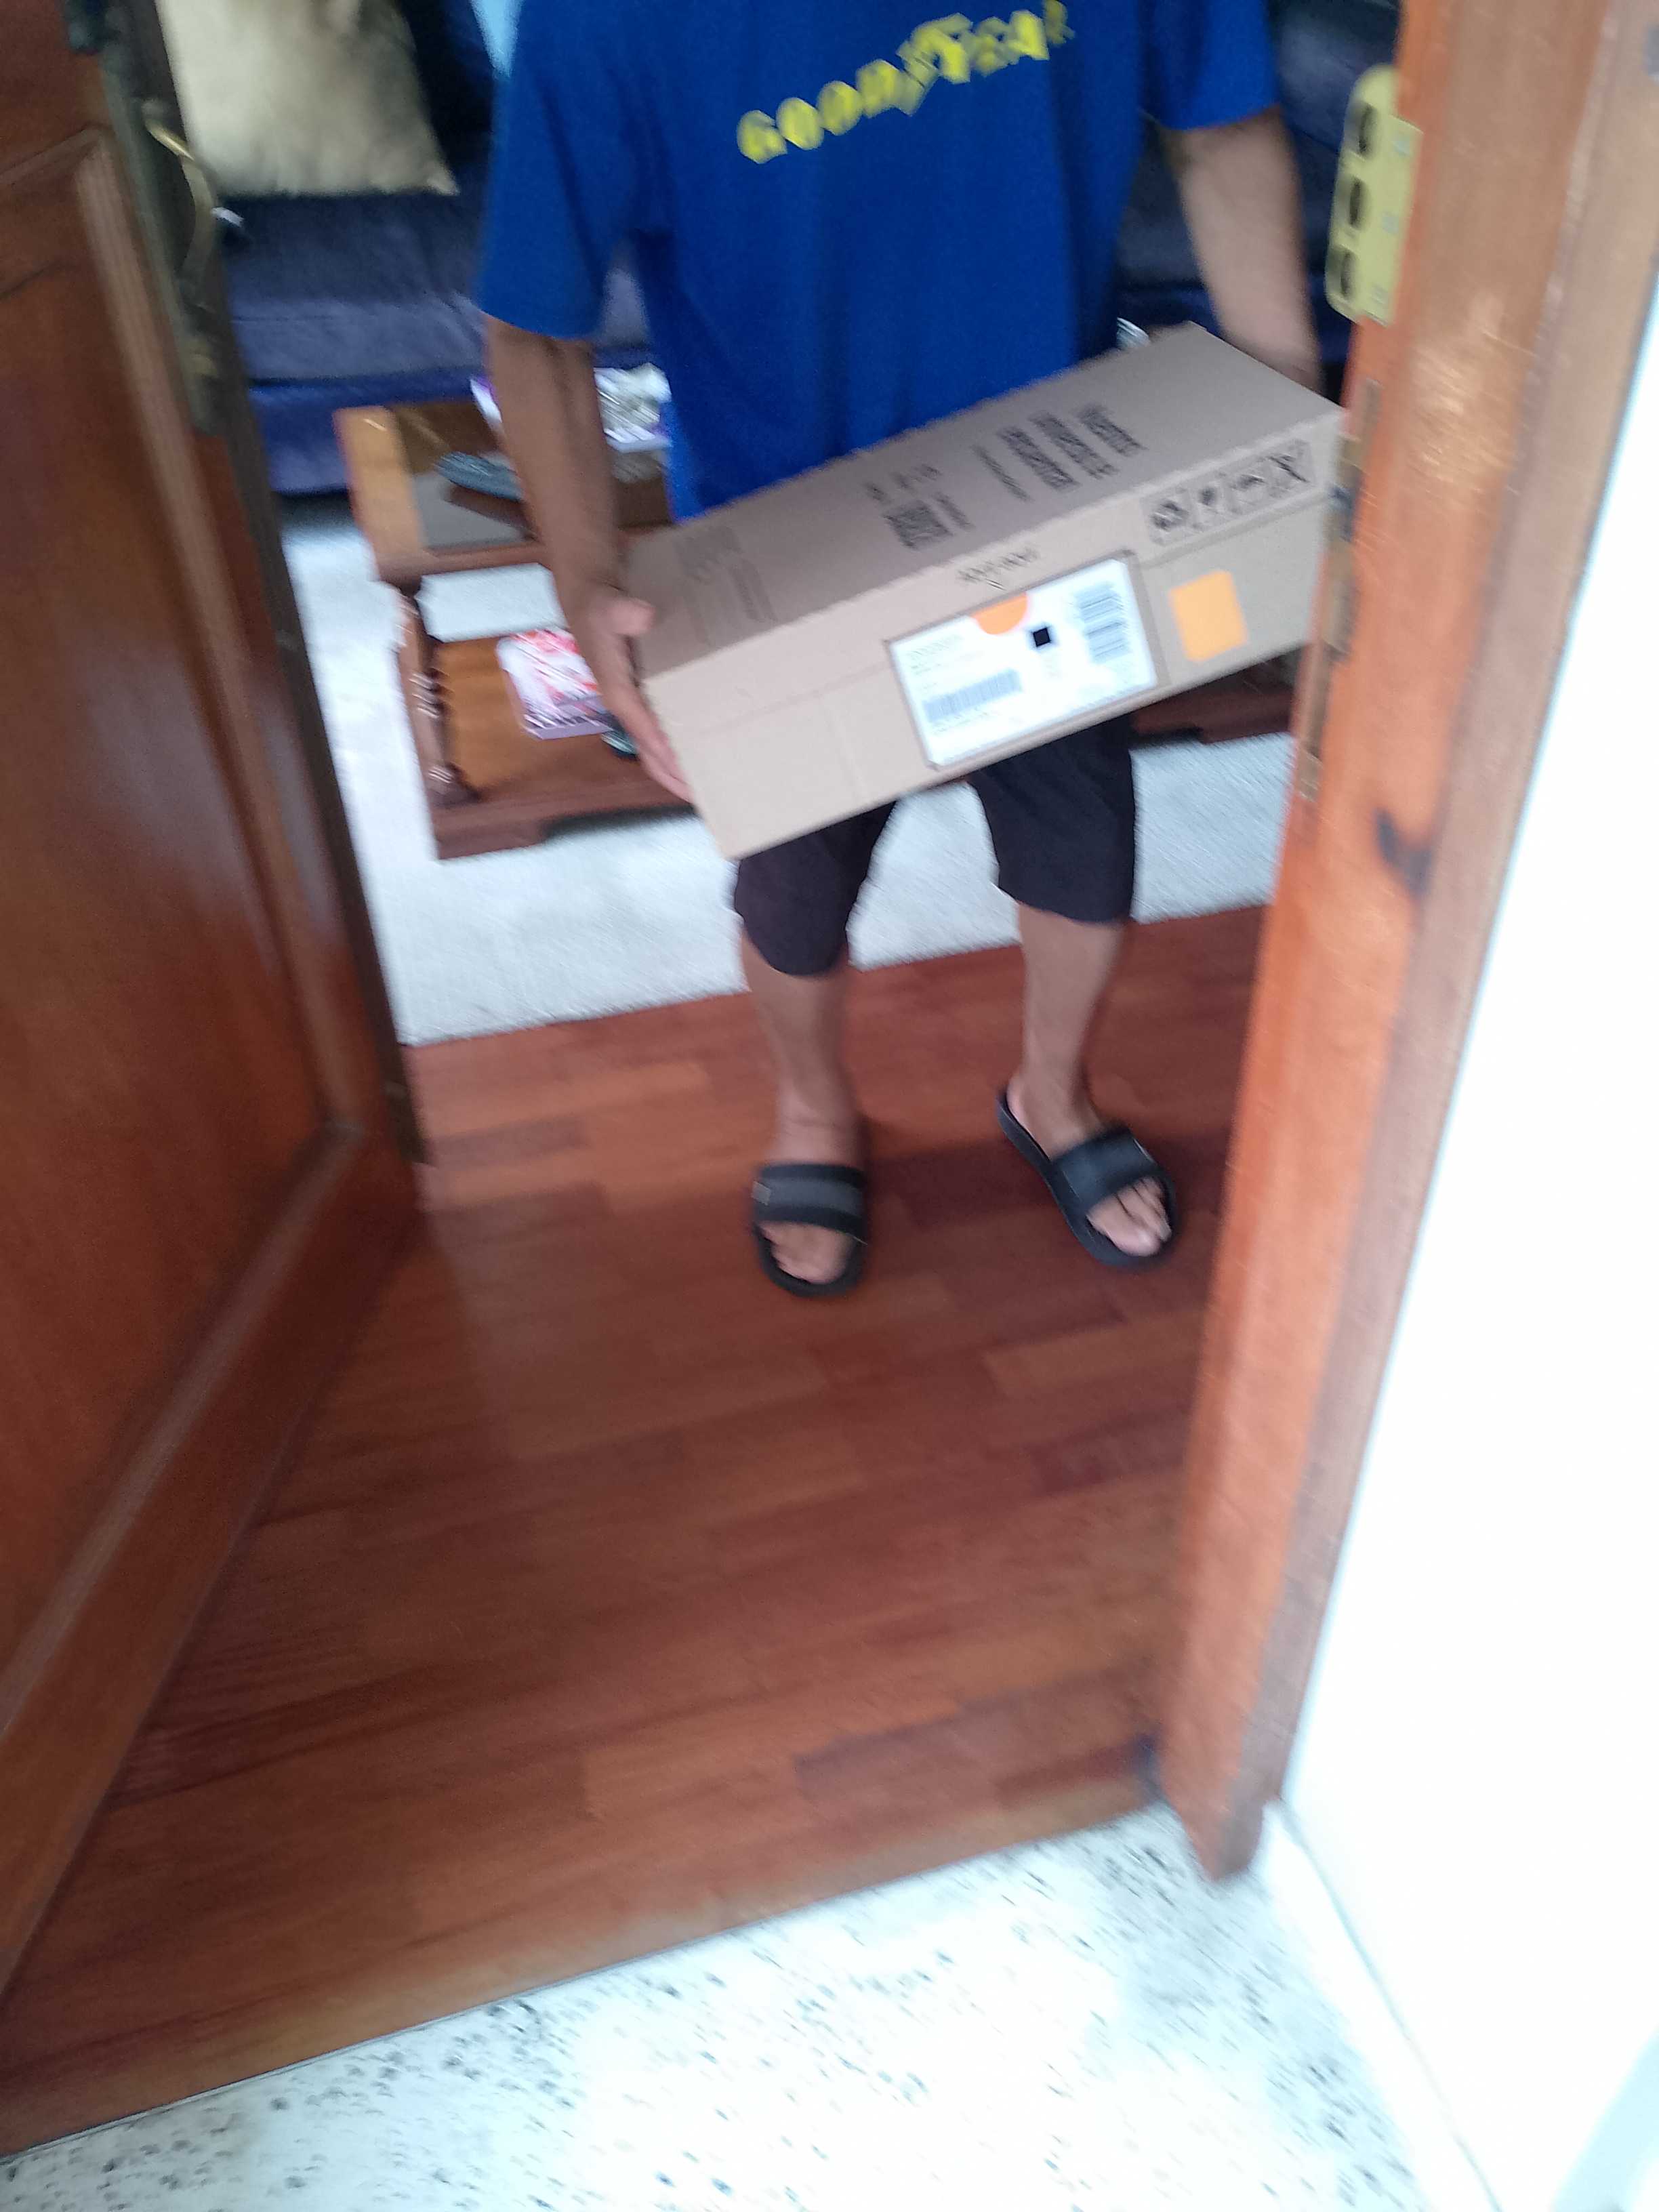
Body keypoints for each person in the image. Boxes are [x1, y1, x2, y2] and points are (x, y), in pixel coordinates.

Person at [479, 3, 1319, 1296]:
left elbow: (1223, 129)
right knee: (793, 897)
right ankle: (814, 1108)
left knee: (1085, 857)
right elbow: (538, 318)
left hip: (1048, 502)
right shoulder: (602, 21)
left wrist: (1287, 430)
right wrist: (584, 577)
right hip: (784, 550)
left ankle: (1053, 1093)